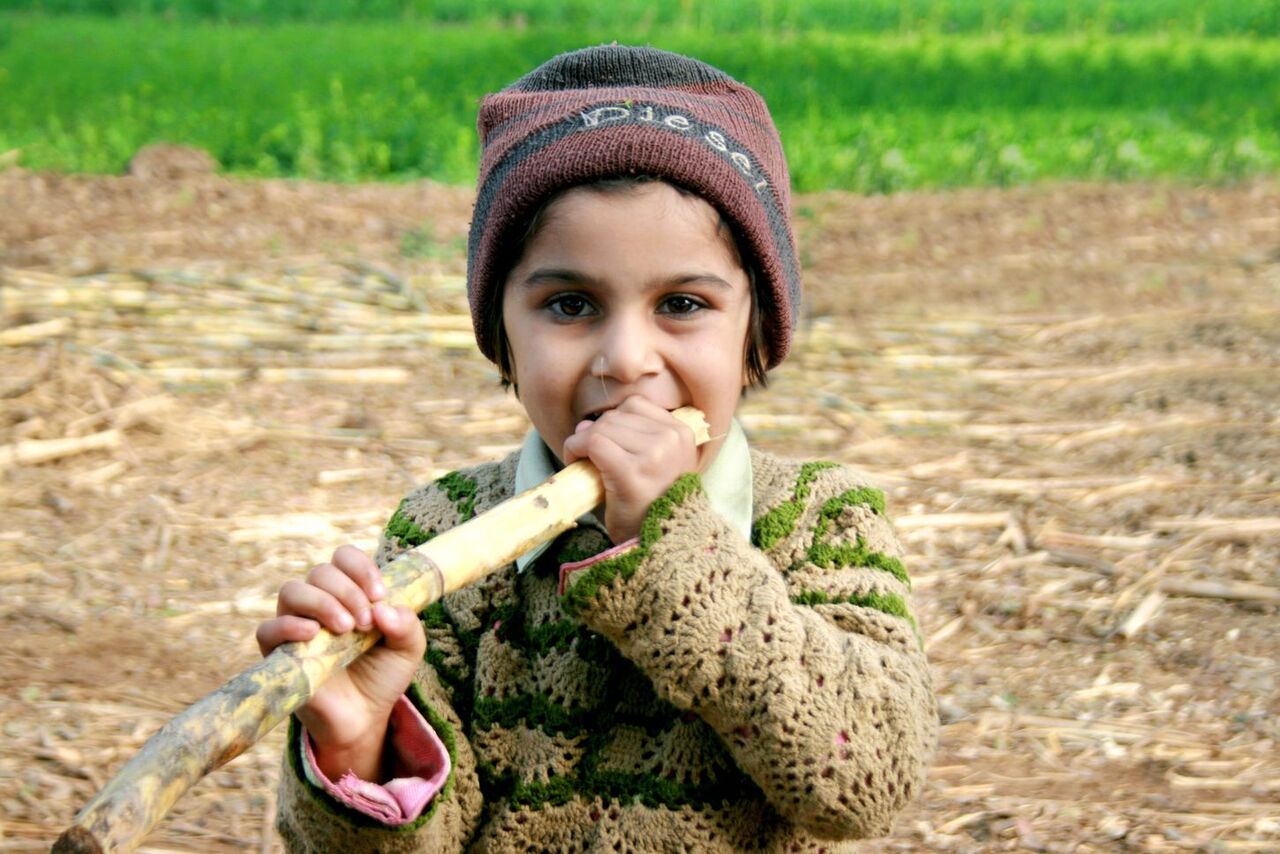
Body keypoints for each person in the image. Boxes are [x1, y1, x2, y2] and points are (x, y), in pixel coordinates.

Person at [257, 44, 937, 852]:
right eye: (570, 304)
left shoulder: (821, 521)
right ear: (499, 330)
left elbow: (870, 780)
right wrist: (361, 747)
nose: (625, 358)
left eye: (682, 304)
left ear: (756, 330)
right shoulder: (439, 536)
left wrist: (673, 546)